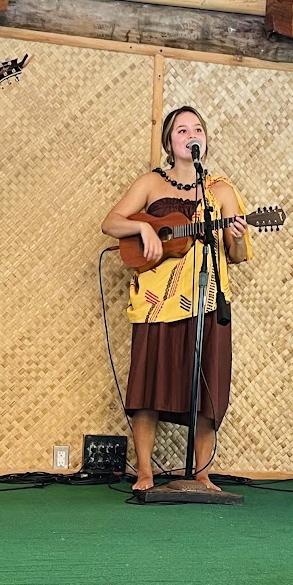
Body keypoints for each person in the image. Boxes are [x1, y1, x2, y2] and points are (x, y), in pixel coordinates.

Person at [102, 106, 251, 492]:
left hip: (206, 299)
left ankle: (201, 472)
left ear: (205, 139)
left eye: (196, 128)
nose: (190, 135)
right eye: (181, 130)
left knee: (205, 383)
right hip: (157, 300)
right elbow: (110, 222)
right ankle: (145, 472)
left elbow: (235, 255)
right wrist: (142, 229)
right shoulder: (151, 183)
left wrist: (235, 235)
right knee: (148, 383)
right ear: (169, 141)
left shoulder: (221, 191)